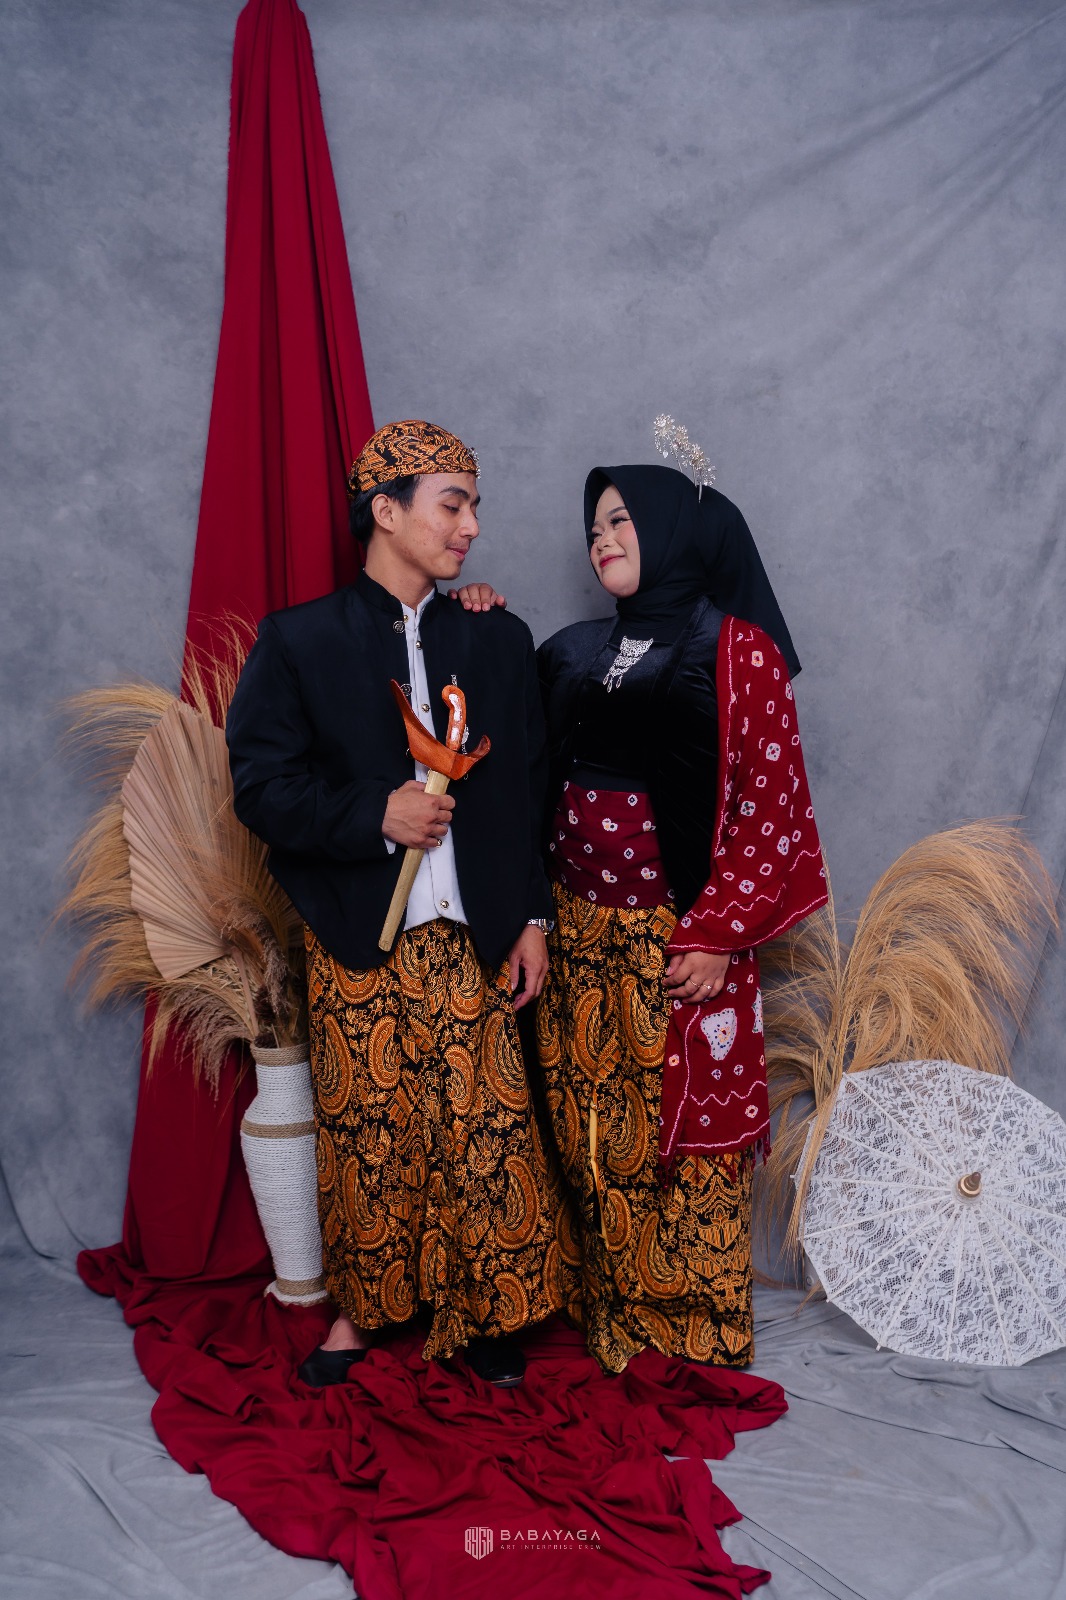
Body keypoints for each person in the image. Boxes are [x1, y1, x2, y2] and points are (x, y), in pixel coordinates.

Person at [226, 420, 576, 1387]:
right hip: (359, 934)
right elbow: (260, 789)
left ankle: (491, 1311)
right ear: (386, 511)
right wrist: (373, 815)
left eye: (475, 506)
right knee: (370, 1134)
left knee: (486, 1130)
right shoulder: (298, 641)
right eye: (451, 504)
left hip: (474, 936)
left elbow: (529, 790)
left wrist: (533, 918)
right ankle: (362, 1314)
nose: (472, 526)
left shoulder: (495, 636)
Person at [530, 452, 828, 1374]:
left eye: (620, 521)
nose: (600, 540)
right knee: (594, 1124)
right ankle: (612, 1306)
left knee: (683, 1135)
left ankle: (690, 1330)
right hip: (576, 935)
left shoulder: (739, 652)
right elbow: (520, 774)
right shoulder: (570, 650)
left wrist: (719, 934)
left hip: (681, 940)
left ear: (668, 531)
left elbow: (770, 810)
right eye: (594, 527)